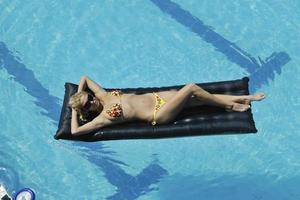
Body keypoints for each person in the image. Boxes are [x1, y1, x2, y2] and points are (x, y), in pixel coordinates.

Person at [69, 76, 266, 136]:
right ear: (86, 110)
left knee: (201, 97)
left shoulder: (102, 96)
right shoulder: (103, 118)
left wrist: (78, 95)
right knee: (191, 88)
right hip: (158, 114)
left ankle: (241, 98)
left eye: (89, 97)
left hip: (159, 98)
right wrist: (74, 111)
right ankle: (235, 105)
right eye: (89, 104)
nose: (92, 100)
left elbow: (84, 78)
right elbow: (75, 131)